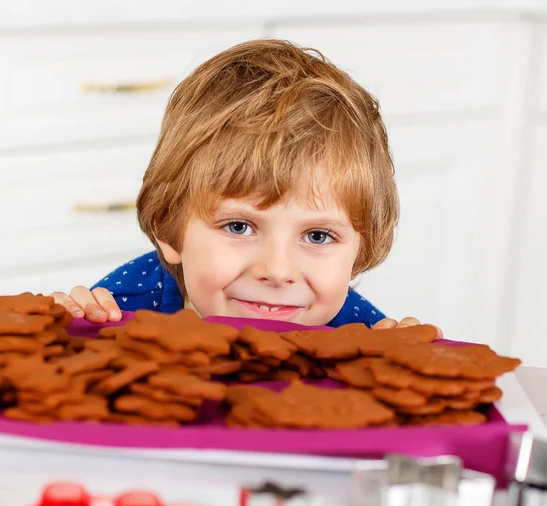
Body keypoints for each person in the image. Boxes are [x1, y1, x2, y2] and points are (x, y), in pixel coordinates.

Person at [51, 39, 441, 336]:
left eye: (319, 235)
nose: (277, 271)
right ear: (167, 227)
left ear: (361, 249)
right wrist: (64, 336)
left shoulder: (358, 337)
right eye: (239, 226)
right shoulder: (121, 314)